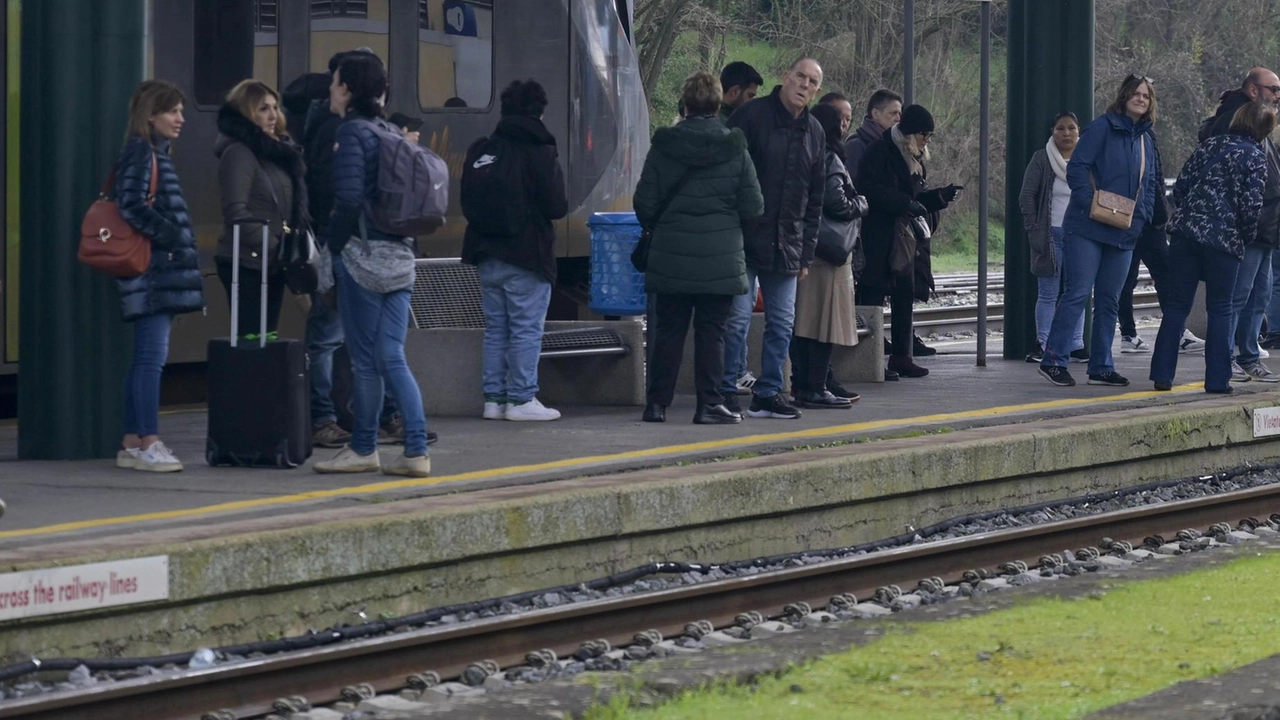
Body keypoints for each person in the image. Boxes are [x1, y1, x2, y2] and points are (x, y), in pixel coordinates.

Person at [284, 49, 413, 449]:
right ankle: (383, 428)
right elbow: (343, 196)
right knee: (348, 342)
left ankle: (372, 427)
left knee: (358, 343)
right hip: (353, 249)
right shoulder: (342, 132)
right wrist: (335, 247)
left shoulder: (348, 129)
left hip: (355, 248)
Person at [313, 53, 431, 477]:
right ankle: (416, 449)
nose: (330, 89)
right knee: (392, 355)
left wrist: (333, 247)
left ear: (346, 89)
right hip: (401, 258)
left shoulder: (352, 134)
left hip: (363, 259)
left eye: (334, 82)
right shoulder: (392, 133)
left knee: (365, 361)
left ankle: (364, 448)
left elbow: (346, 201)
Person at [634, 71, 763, 424]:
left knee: (669, 332)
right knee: (712, 333)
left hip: (671, 257)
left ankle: (656, 405)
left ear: (685, 104)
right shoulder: (735, 147)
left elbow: (644, 203)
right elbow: (754, 206)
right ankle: (708, 405)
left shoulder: (663, 146)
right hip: (720, 261)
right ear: (718, 103)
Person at [719, 58, 826, 420]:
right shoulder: (750, 117)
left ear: (816, 91)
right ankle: (726, 389)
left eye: (812, 82)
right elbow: (725, 174)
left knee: (781, 322)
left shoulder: (814, 131)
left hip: (789, 243)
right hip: (744, 239)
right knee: (737, 319)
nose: (804, 85)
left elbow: (816, 198)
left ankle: (768, 393)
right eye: (800, 76)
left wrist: (807, 254)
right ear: (785, 77)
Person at [1038, 75, 1158, 388]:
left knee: (1109, 300)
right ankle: (1053, 359)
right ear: (1124, 96)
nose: (1141, 99)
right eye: (1136, 93)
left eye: (1146, 95)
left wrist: (1140, 219)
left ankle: (1102, 366)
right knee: (1077, 292)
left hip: (1125, 231)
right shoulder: (1101, 127)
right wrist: (1089, 201)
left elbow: (1150, 185)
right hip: (1088, 227)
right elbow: (1077, 167)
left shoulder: (1147, 139)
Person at [461, 79, 569, 421]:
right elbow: (556, 205)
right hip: (526, 254)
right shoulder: (539, 147)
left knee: (497, 329)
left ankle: (494, 400)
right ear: (539, 111)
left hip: (486, 253)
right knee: (525, 328)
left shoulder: (484, 149)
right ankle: (522, 400)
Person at [114, 80, 204, 472]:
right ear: (151, 114)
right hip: (154, 272)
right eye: (173, 111)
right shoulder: (142, 153)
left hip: (156, 271)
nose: (181, 119)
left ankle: (133, 441)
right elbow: (130, 204)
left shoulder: (152, 153)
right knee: (151, 359)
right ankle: (148, 440)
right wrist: (175, 236)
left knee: (146, 359)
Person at [1152, 101, 1272, 393]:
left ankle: (1162, 375)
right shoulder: (1255, 157)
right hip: (1223, 242)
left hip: (1185, 236)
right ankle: (1217, 381)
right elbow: (1251, 206)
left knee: (1177, 307)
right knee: (1220, 310)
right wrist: (1243, 236)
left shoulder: (1209, 145)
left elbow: (1179, 188)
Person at [856, 104, 960, 379]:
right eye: (925, 134)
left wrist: (940, 196)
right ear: (910, 133)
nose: (927, 140)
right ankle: (871, 359)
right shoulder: (879, 152)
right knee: (874, 296)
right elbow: (869, 190)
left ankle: (901, 356)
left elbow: (916, 197)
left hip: (903, 238)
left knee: (904, 296)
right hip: (879, 236)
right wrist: (905, 203)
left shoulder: (914, 159)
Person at [1201, 68, 1280, 382]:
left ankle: (1248, 356)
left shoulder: (1263, 122)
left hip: (1267, 229)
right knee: (1237, 295)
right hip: (1248, 227)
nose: (1278, 95)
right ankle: (1226, 357)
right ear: (1252, 90)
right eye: (1273, 88)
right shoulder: (1235, 120)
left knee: (1259, 295)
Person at [214, 80, 307, 337]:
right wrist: (275, 246)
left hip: (272, 260)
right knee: (252, 337)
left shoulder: (277, 153)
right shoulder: (239, 153)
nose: (272, 115)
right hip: (247, 261)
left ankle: (263, 377)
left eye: (275, 107)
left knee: (268, 335)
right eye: (263, 108)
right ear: (246, 112)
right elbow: (236, 213)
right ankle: (250, 378)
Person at [790, 102, 865, 408]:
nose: (846, 126)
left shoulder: (800, 153)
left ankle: (803, 384)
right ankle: (817, 387)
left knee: (805, 323)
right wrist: (861, 204)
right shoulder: (830, 157)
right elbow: (837, 202)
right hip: (829, 256)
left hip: (807, 247)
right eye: (842, 121)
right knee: (825, 323)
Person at [1018, 112, 1086, 363]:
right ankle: (1044, 343)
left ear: (1079, 132)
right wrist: (1034, 228)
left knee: (1077, 291)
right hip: (1050, 236)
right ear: (1052, 132)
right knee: (1048, 293)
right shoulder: (1041, 159)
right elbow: (1027, 196)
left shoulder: (1087, 159)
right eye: (1060, 129)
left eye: (1071, 128)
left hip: (1080, 236)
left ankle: (1076, 343)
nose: (1066, 133)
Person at [718, 60, 765, 394]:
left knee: (739, 313)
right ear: (733, 93)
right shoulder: (732, 133)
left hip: (733, 236)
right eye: (749, 95)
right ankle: (731, 373)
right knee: (736, 313)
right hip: (733, 236)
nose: (752, 102)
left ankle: (735, 370)